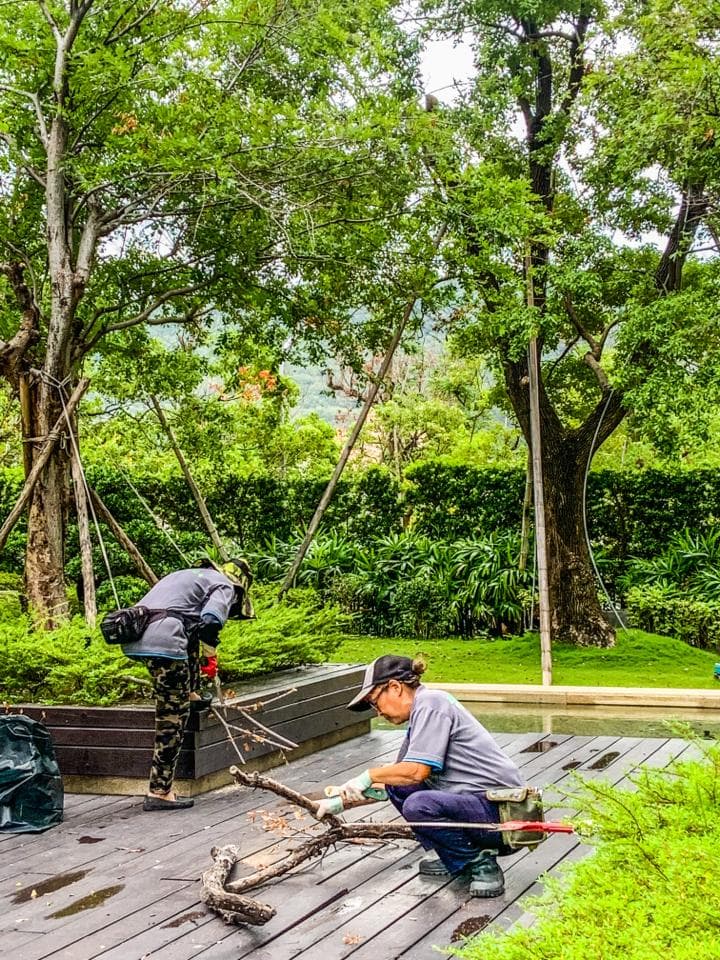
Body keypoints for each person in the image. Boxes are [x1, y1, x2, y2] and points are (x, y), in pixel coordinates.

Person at [317, 654, 526, 898]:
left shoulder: (432, 704)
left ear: (395, 687)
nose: (378, 713)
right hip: (479, 808)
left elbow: (416, 772)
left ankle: (480, 864)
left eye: (375, 702)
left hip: (506, 815)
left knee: (418, 804)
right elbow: (397, 780)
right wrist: (340, 802)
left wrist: (368, 775)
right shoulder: (421, 713)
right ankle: (450, 852)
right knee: (399, 787)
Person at [122, 558, 253, 811]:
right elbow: (210, 621)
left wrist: (193, 686)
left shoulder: (186, 575)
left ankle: (190, 693)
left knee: (179, 689)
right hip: (165, 643)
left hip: (139, 637)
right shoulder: (224, 585)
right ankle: (159, 791)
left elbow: (187, 623)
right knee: (172, 717)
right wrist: (210, 657)